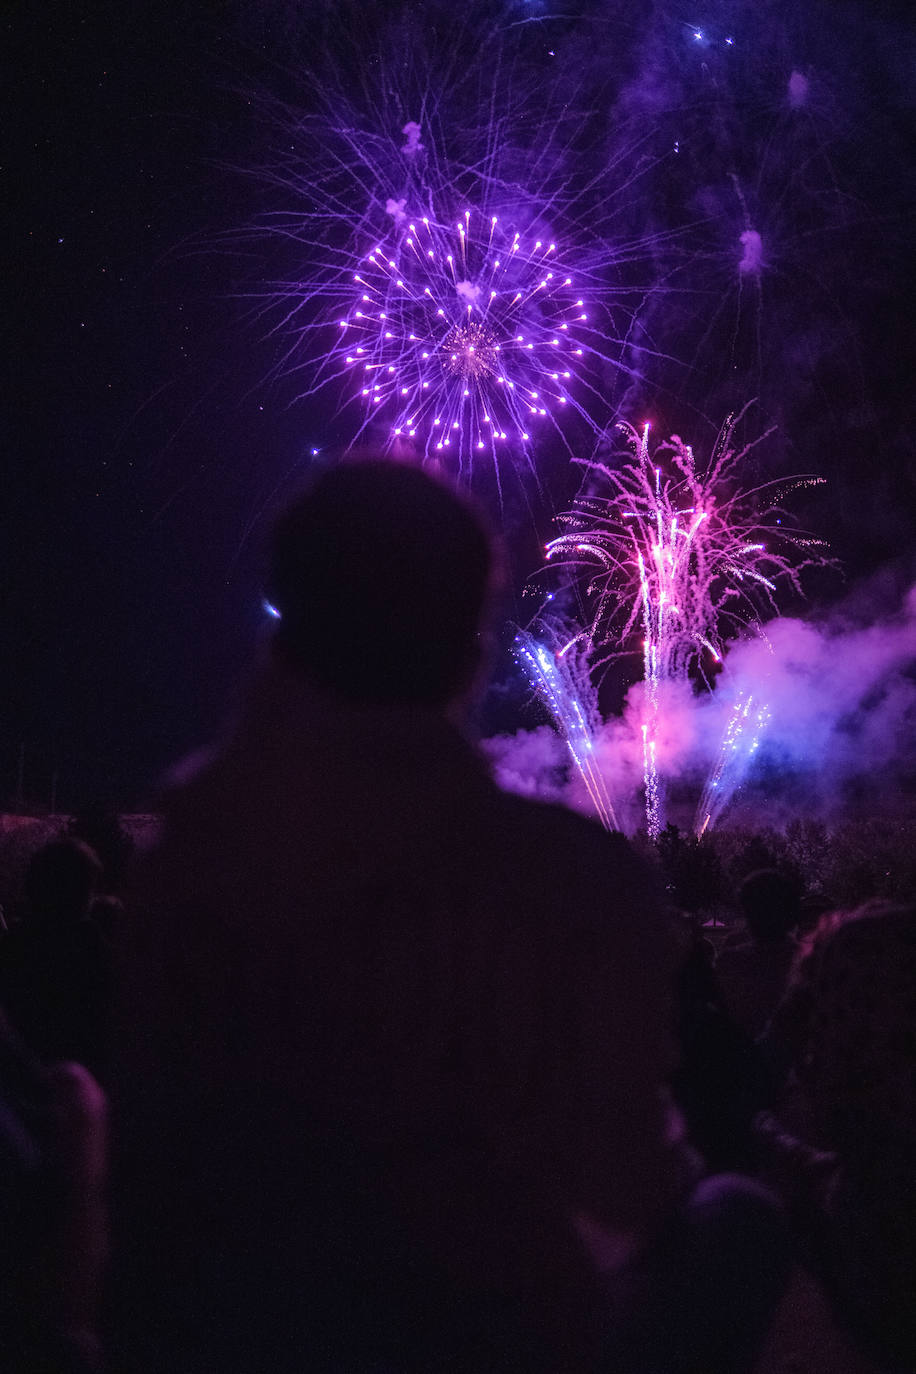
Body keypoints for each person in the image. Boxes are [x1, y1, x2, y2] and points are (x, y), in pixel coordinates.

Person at [112, 458, 786, 1373]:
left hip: (236, 1330)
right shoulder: (572, 876)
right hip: (497, 1332)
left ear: (281, 636)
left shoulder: (184, 859)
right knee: (739, 1216)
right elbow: (629, 1187)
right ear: (468, 660)